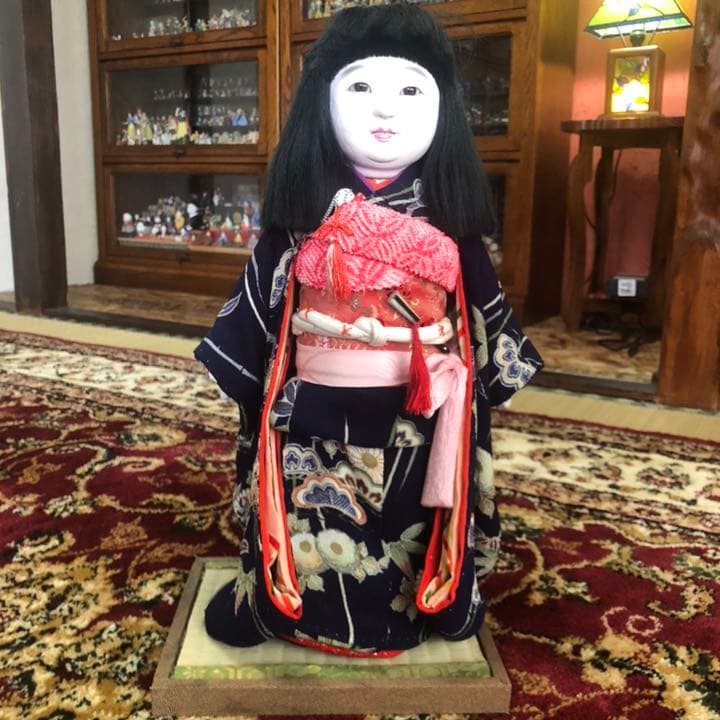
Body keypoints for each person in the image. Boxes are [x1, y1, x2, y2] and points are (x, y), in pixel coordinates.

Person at [194, 2, 542, 657]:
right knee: (312, 513)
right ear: (321, 103)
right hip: (312, 405)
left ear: (444, 109)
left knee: (410, 517)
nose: (386, 109)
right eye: (359, 87)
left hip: (419, 404)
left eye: (411, 90)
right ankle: (292, 610)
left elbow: (484, 335)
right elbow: (254, 328)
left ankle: (414, 611)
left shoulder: (450, 220)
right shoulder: (302, 217)